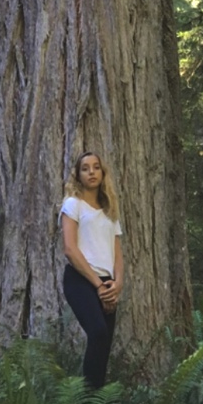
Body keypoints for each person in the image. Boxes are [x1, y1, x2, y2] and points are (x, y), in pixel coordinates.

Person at [59, 151, 124, 389]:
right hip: (81, 280)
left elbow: (117, 253)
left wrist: (117, 285)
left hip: (107, 284)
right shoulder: (73, 204)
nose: (91, 172)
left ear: (103, 173)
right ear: (78, 175)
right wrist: (98, 285)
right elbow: (70, 249)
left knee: (103, 345)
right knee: (97, 332)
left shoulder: (109, 211)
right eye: (85, 168)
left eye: (96, 167)